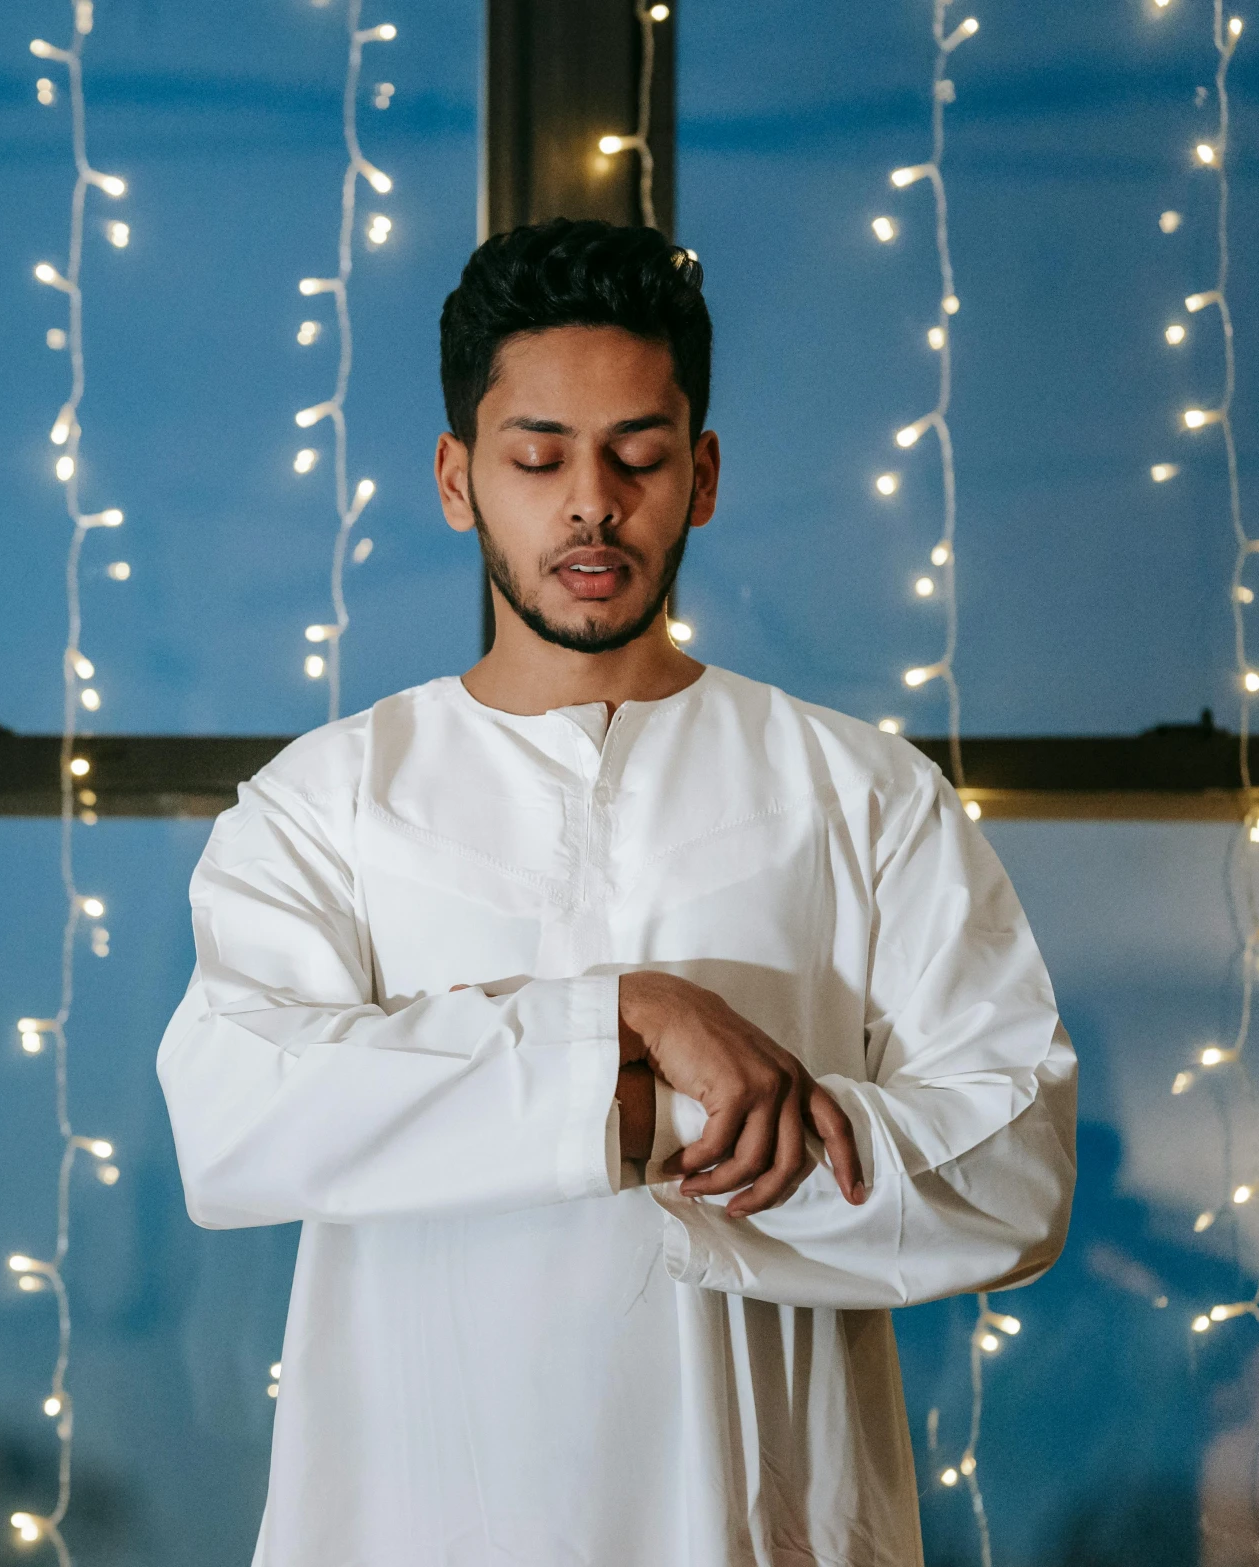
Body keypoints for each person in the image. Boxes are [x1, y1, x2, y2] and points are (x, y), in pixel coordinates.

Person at [155, 219, 1077, 1567]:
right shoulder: (327, 801)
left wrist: (656, 1113)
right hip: (412, 1519)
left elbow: (1014, 1165)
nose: (589, 502)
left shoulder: (858, 789)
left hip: (766, 1527)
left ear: (698, 476)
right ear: (456, 478)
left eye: (635, 455)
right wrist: (628, 1017)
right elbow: (235, 1115)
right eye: (536, 457)